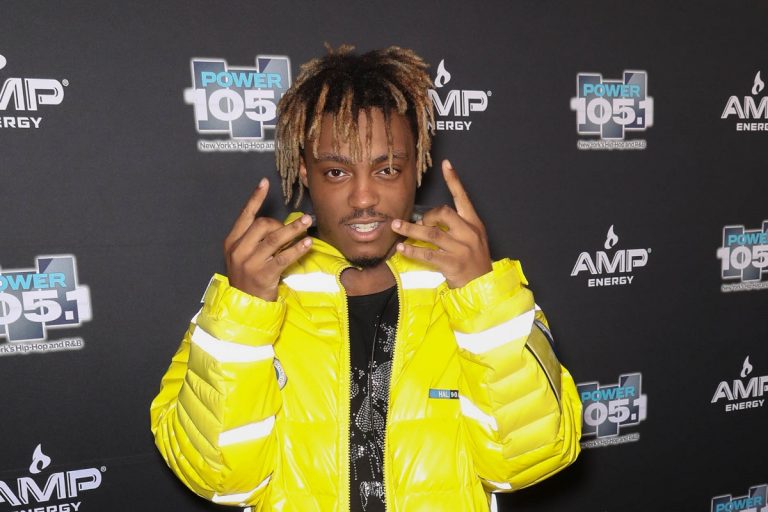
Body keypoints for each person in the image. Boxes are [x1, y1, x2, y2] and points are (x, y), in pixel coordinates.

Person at [150, 45, 581, 512]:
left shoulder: (477, 291)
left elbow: (528, 460)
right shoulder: (252, 295)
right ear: (305, 173)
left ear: (418, 165)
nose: (362, 197)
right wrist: (243, 314)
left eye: (387, 169)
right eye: (336, 171)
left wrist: (482, 301)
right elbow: (219, 479)